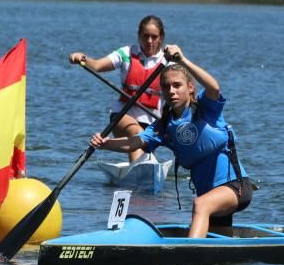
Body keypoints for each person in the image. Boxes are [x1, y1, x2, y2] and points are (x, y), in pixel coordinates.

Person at [91, 44, 253, 238]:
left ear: (190, 88)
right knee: (219, 244)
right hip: (211, 196)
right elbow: (134, 143)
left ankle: (191, 258)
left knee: (200, 204)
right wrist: (105, 144)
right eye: (166, 87)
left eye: (177, 85)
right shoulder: (163, 127)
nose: (171, 91)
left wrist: (182, 60)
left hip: (236, 187)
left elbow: (214, 87)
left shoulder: (206, 109)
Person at [69, 15, 166, 163]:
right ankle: (137, 171)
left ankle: (141, 167)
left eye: (154, 37)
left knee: (146, 148)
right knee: (137, 133)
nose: (149, 41)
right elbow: (97, 65)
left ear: (161, 38)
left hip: (152, 122)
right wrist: (82, 58)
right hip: (122, 116)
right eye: (145, 36)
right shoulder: (125, 54)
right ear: (139, 35)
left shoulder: (168, 62)